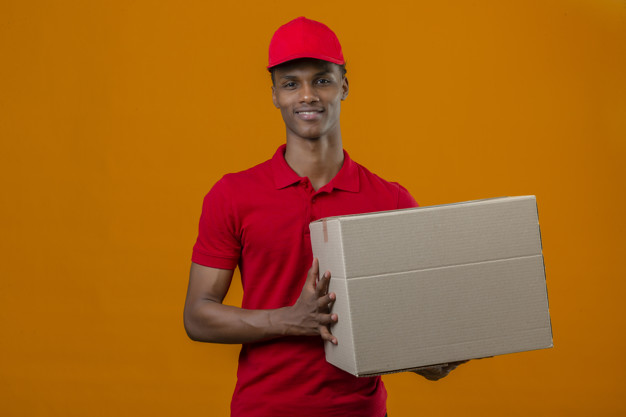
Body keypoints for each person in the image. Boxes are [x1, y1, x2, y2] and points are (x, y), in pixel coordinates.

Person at [184, 16, 464, 417]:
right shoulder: (232, 195)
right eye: (291, 83)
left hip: (358, 410)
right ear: (276, 95)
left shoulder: (391, 200)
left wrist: (430, 358)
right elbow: (197, 316)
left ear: (344, 86)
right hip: (263, 409)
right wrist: (290, 320)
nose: (308, 95)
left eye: (322, 80)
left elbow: (417, 316)